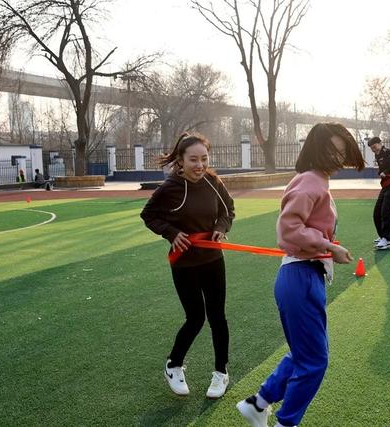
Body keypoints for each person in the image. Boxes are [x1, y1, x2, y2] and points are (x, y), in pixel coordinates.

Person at [236, 123, 364, 427]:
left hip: (303, 275)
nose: (338, 157)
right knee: (315, 361)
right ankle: (285, 422)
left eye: (342, 152)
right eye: (333, 150)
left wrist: (328, 248)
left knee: (303, 354)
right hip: (300, 276)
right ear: (317, 148)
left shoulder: (315, 180)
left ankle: (259, 402)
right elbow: (288, 229)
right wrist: (328, 247)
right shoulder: (311, 182)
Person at [140, 132, 235, 399]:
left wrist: (220, 227)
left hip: (213, 260)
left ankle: (221, 373)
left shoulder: (214, 182)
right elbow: (149, 215)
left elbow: (228, 210)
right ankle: (174, 365)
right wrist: (171, 233)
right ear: (181, 161)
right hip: (184, 263)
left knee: (218, 317)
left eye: (204, 159)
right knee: (195, 318)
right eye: (193, 159)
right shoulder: (170, 187)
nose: (200, 165)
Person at [368, 136, 390, 250]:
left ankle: (387, 240)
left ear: (380, 143)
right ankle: (382, 236)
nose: (374, 150)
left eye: (374, 147)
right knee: (376, 212)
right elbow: (384, 167)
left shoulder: (388, 152)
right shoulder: (377, 155)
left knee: (385, 212)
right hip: (385, 186)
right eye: (372, 148)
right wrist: (381, 172)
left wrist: (386, 172)